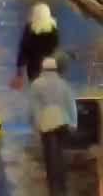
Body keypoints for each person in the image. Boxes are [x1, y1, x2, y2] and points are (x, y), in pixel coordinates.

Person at [30, 56, 79, 195]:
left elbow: (35, 108)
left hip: (46, 123)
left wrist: (36, 125)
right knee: (60, 153)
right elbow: (71, 104)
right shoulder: (63, 84)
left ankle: (53, 188)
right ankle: (62, 186)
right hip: (62, 121)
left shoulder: (36, 85)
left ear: (43, 68)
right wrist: (73, 123)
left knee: (50, 157)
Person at [16, 2, 61, 85]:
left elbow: (23, 50)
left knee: (37, 93)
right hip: (50, 67)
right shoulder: (53, 29)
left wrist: (19, 71)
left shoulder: (29, 29)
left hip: (34, 68)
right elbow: (56, 48)